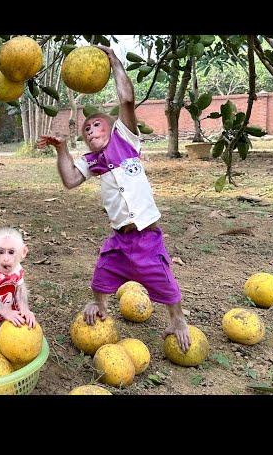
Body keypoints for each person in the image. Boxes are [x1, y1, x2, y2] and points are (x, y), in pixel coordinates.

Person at [37, 45, 191, 352]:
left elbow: (127, 100)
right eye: (86, 128)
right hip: (120, 237)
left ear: (111, 126)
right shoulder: (91, 160)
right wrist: (62, 150)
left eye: (96, 123)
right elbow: (69, 180)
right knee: (102, 273)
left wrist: (117, 64)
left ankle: (177, 319)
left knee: (162, 278)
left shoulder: (126, 139)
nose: (91, 129)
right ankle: (101, 306)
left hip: (147, 234)